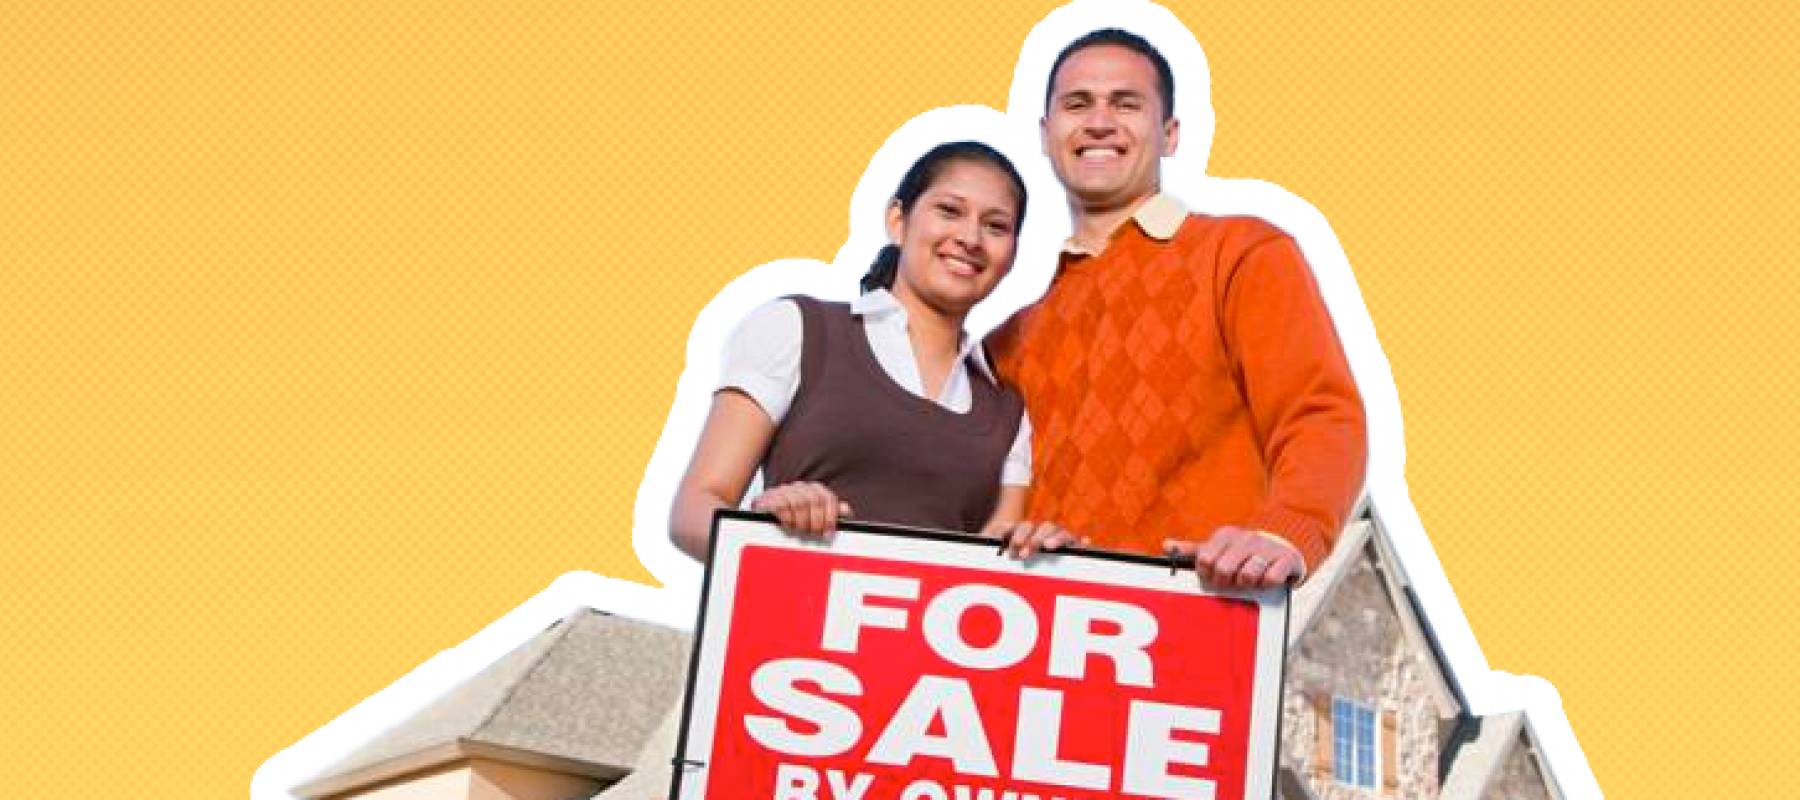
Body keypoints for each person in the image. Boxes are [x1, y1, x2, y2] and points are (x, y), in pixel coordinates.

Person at [987, 29, 1367, 589]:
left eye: (1126, 103)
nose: (1099, 121)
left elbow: (1320, 415)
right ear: (1046, 136)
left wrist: (1285, 530)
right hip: (1053, 638)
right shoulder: (1007, 340)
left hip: (1206, 621)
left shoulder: (1241, 254)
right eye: (1077, 103)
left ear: (1169, 135)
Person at [669, 141, 1040, 561]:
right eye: (949, 211)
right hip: (792, 618)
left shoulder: (1007, 412)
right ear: (898, 221)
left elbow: (994, 558)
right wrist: (765, 533)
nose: (970, 238)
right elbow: (693, 512)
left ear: (1011, 256)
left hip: (919, 626)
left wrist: (1043, 555)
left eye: (995, 226)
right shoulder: (800, 330)